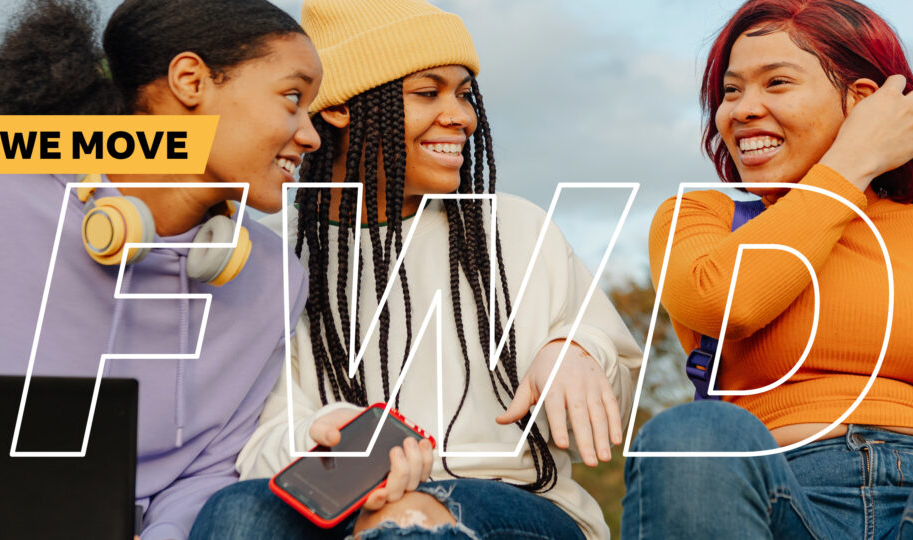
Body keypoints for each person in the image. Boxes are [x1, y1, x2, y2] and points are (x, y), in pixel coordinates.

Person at [190, 0, 642, 538]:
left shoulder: (514, 229)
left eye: (464, 94)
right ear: (339, 109)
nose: (462, 116)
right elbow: (255, 439)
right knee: (234, 513)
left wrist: (578, 347)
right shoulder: (268, 253)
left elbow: (613, 387)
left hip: (515, 503)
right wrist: (319, 436)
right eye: (428, 93)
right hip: (334, 507)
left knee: (408, 518)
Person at [0, 0, 322, 538]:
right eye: (293, 98)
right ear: (190, 80)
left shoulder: (273, 279)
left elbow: (210, 469)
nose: (311, 136)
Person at [623, 0, 913, 538]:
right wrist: (850, 164)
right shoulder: (700, 217)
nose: (740, 109)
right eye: (732, 91)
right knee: (692, 434)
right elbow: (729, 303)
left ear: (862, 103)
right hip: (769, 495)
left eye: (776, 83)